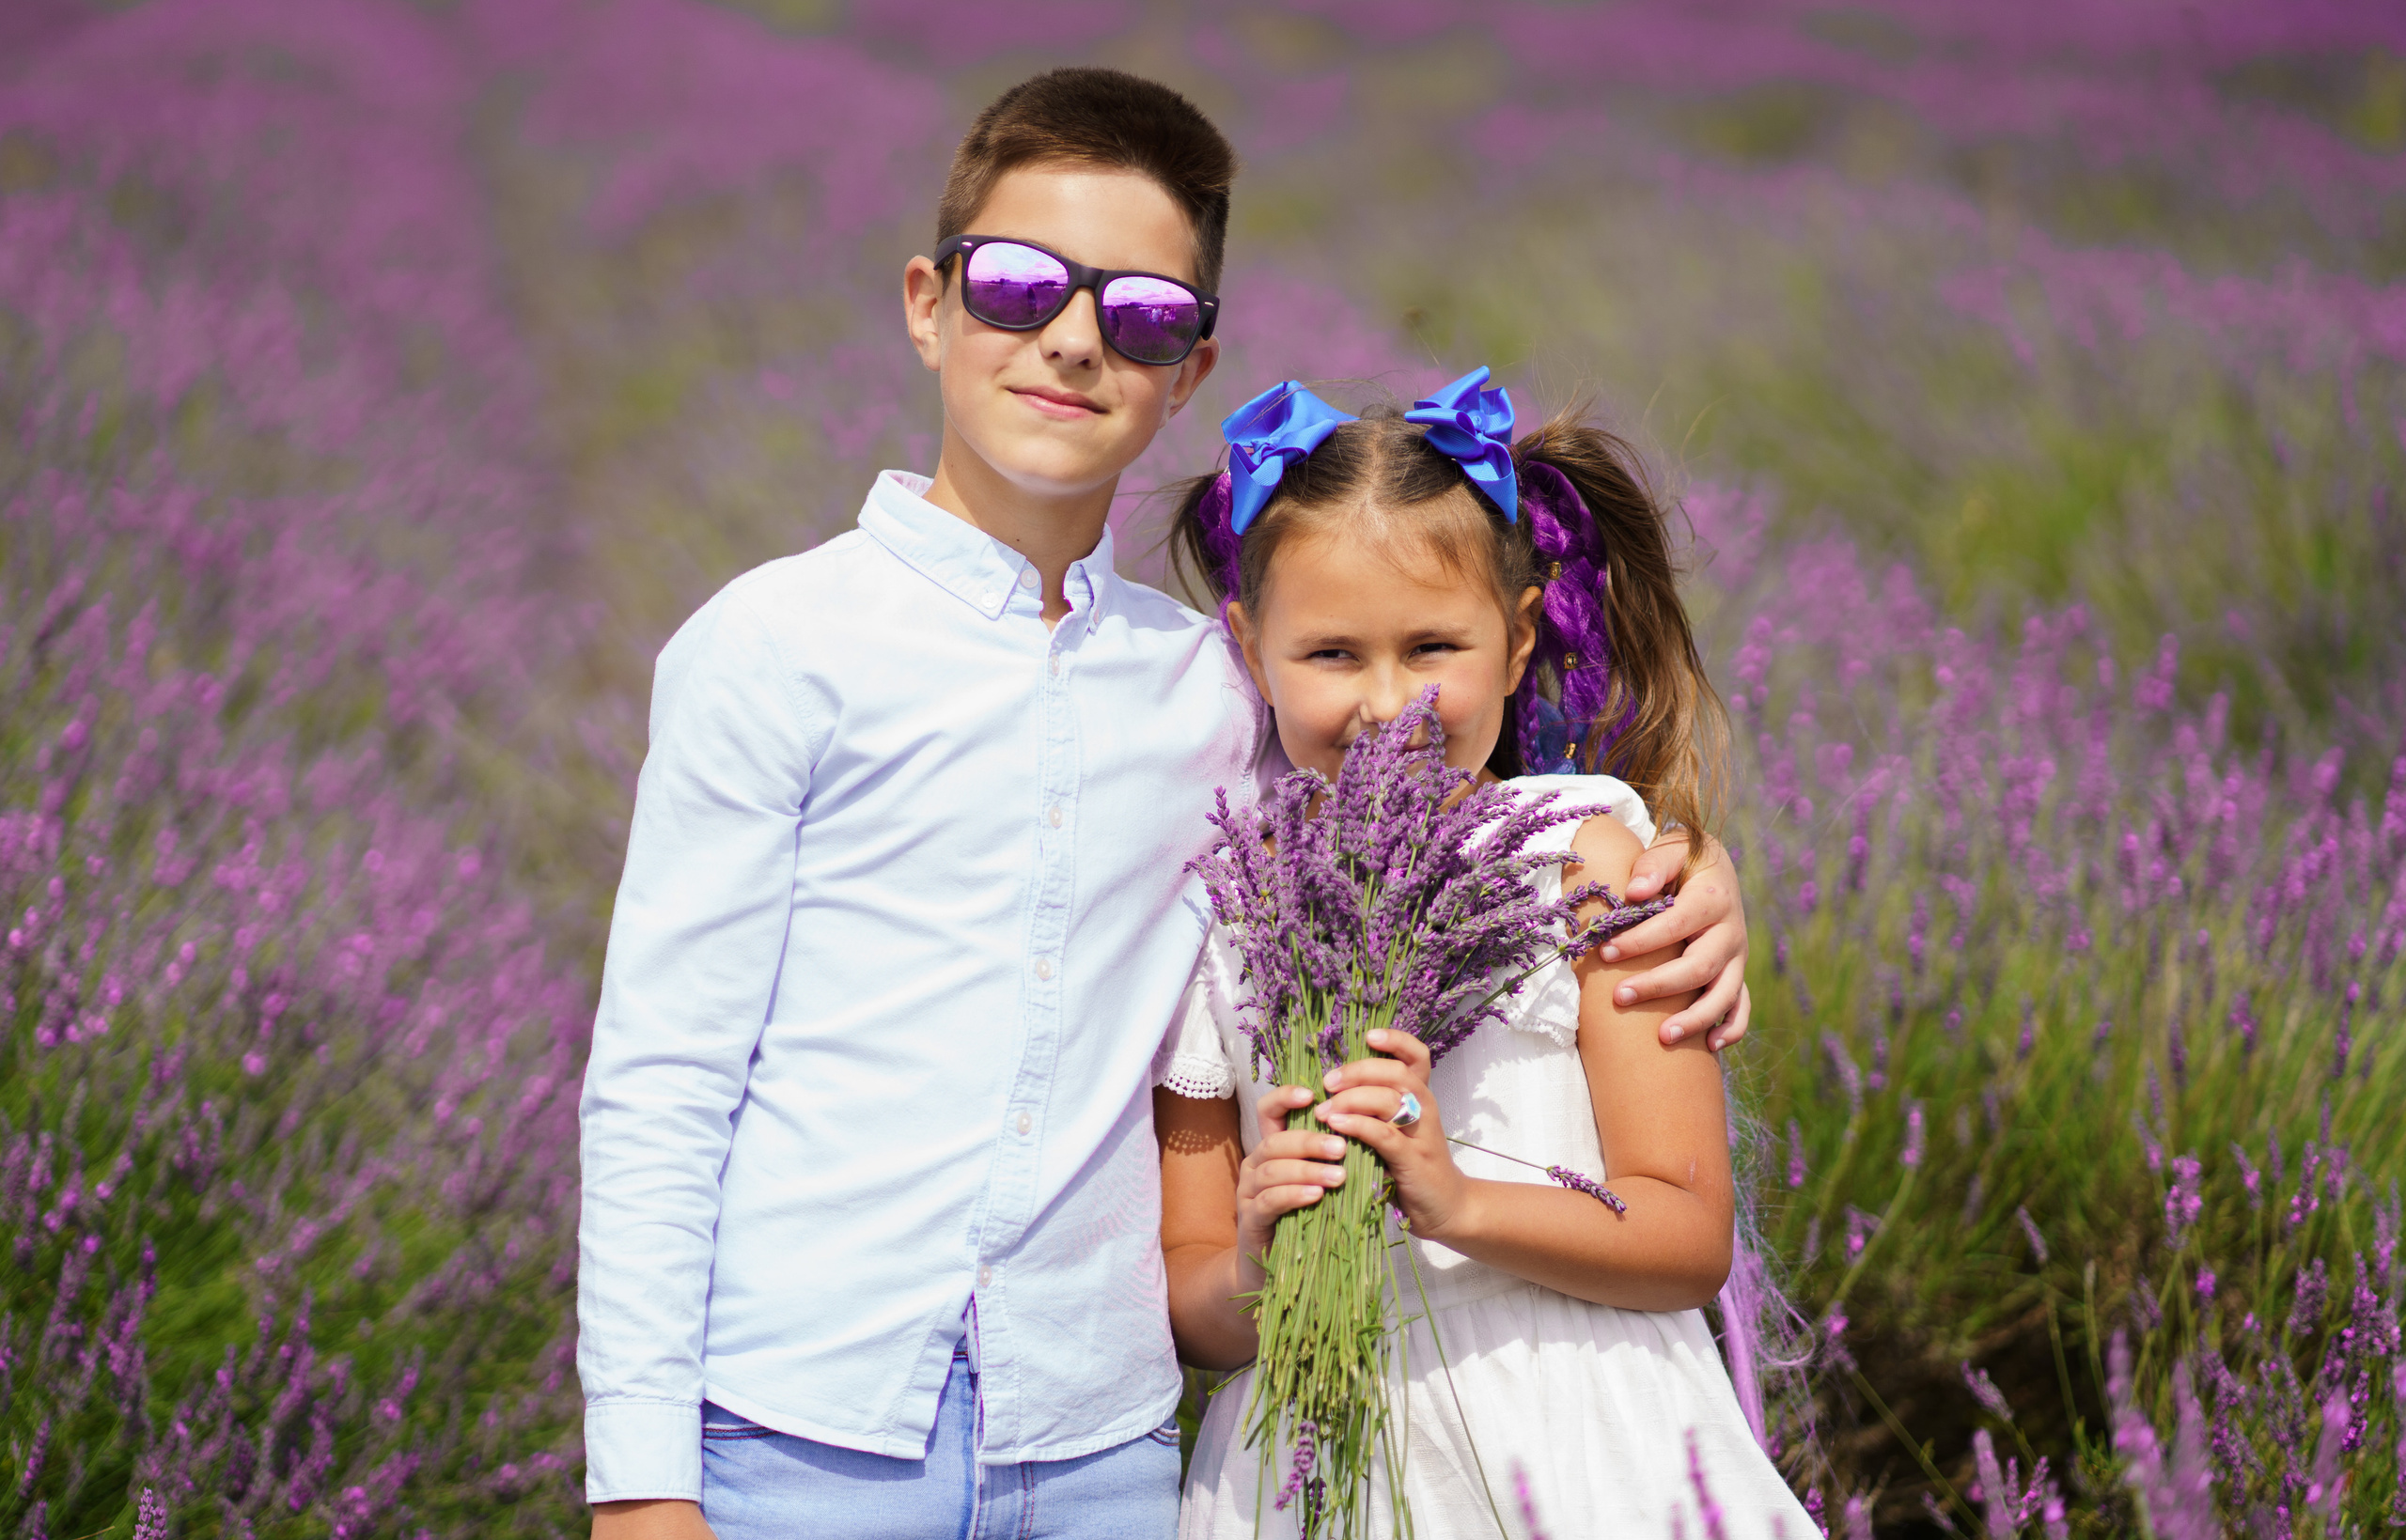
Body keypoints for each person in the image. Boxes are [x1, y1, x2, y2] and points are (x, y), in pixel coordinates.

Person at [579, 67, 1756, 1540]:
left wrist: (1684, 861)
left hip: (1097, 1444)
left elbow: (1435, 815)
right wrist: (638, 1483)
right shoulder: (773, 645)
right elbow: (661, 1085)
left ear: (1189, 366)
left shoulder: (1213, 687)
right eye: (1016, 285)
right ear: (929, 303)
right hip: (806, 1427)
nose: (1072, 337)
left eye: (1138, 311)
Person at [1157, 372, 1811, 1537]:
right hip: (1313, 1471)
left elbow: (1685, 1235)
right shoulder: (1220, 918)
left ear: (1517, 642)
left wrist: (1456, 1199)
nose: (1389, 702)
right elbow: (1195, 1304)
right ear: (1249, 649)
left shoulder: (1586, 863)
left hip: (1577, 1445)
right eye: (1332, 654)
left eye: (1432, 646)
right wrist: (1257, 1256)